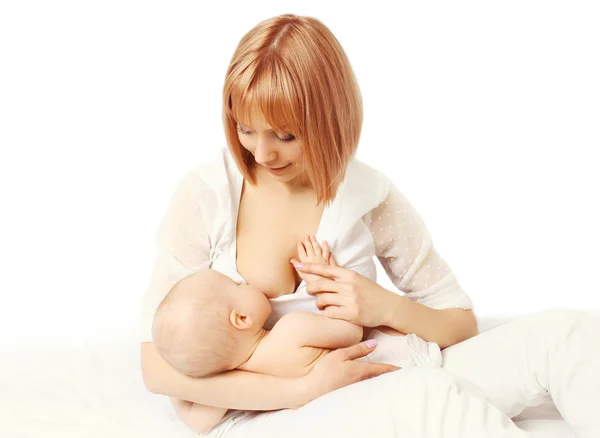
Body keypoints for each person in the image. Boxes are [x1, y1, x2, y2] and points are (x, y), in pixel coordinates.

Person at [140, 13, 600, 438]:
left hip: (388, 370)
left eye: (285, 135)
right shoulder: (206, 195)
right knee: (431, 397)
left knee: (565, 334)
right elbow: (156, 366)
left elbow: (460, 325)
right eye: (245, 129)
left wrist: (382, 307)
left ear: (328, 121)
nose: (261, 154)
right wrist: (301, 390)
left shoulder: (367, 196)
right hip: (279, 414)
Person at [152, 238, 441, 434]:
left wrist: (188, 371)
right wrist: (320, 280)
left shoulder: (232, 388)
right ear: (241, 318)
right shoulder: (291, 330)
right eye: (235, 284)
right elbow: (352, 331)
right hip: (374, 390)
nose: (243, 280)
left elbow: (198, 423)